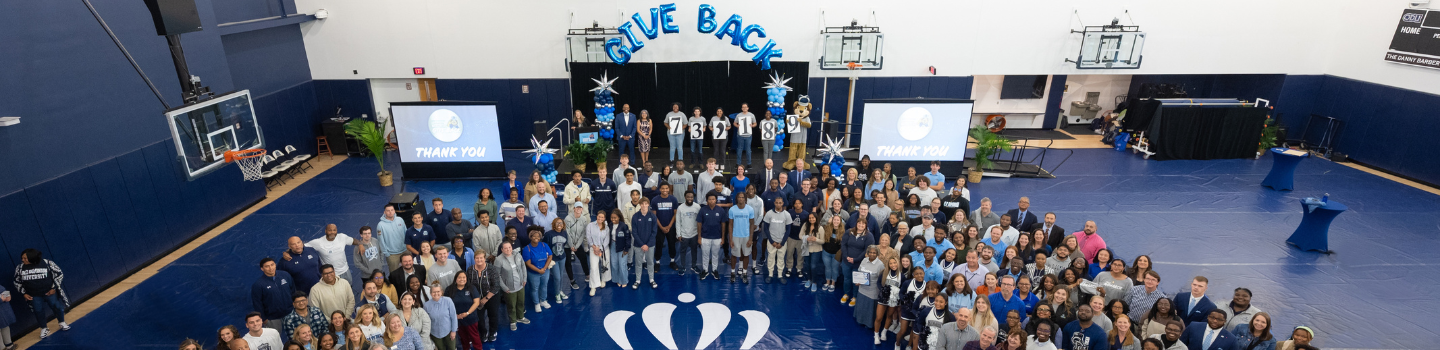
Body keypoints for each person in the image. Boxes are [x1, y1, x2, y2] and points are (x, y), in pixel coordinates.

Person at [14, 249, 71, 339]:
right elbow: (16, 281)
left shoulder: (47, 263)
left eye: (25, 258)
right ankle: (44, 328)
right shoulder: (20, 268)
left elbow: (59, 274)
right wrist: (23, 293)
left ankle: (62, 322)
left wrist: (54, 287)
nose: (23, 260)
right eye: (22, 258)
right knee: (38, 311)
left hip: (49, 292)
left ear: (32, 258)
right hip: (34, 294)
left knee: (57, 307)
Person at [250, 257, 297, 330]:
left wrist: (295, 307)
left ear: (275, 265)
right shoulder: (258, 284)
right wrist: (263, 318)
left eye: (272, 265)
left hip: (290, 313)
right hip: (272, 318)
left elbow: (293, 291)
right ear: (262, 269)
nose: (270, 268)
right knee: (274, 338)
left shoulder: (285, 275)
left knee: (295, 335)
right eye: (267, 266)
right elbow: (257, 303)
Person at [468, 249, 504, 343]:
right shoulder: (470, 270)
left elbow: (496, 285)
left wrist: (486, 298)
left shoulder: (491, 269)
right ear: (474, 258)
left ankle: (492, 332)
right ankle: (483, 333)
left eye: (481, 258)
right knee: (479, 317)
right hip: (477, 298)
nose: (479, 260)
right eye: (477, 258)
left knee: (493, 315)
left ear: (484, 258)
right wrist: (475, 298)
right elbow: (469, 284)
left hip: (491, 296)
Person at [495, 241, 529, 330]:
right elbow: (497, 275)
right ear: (502, 250)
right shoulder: (498, 260)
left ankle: (521, 317)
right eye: (505, 248)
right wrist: (504, 287)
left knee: (521, 302)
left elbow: (523, 266)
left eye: (509, 247)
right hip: (509, 288)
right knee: (511, 306)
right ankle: (513, 321)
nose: (508, 249)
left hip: (521, 284)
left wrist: (524, 279)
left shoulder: (517, 255)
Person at [446, 272, 483, 350]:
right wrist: (455, 316)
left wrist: (467, 313)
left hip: (471, 318)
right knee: (463, 338)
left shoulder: (472, 288)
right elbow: (446, 304)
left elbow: (476, 302)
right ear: (456, 279)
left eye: (464, 277)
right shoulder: (449, 289)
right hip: (457, 320)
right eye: (459, 277)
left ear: (466, 279)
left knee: (474, 337)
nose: (462, 279)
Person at [521, 227, 554, 313]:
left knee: (544, 286)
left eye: (538, 237)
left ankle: (543, 301)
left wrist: (544, 268)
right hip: (533, 273)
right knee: (535, 288)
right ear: (530, 237)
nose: (536, 238)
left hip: (545, 271)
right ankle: (536, 303)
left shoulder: (544, 245)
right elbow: (528, 263)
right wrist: (538, 271)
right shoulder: (526, 249)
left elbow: (550, 256)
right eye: (534, 237)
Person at [696, 193, 728, 280]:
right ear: (707, 200)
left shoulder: (721, 210)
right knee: (705, 255)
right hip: (705, 236)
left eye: (713, 199)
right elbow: (699, 223)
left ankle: (714, 270)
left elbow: (723, 224)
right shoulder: (702, 210)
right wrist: (699, 237)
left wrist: (723, 237)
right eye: (710, 199)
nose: (711, 201)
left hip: (717, 237)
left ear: (716, 200)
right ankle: (705, 270)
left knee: (715, 255)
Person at [762, 198, 794, 283]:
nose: (778, 204)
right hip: (771, 241)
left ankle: (780, 275)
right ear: (774, 203)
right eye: (777, 203)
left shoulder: (787, 214)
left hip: (782, 242)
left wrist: (782, 242)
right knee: (770, 258)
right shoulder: (769, 213)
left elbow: (788, 230)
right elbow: (766, 229)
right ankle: (770, 274)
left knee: (781, 258)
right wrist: (772, 241)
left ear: (783, 203)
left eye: (780, 203)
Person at [727, 195, 757, 283]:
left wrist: (751, 238)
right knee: (734, 255)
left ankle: (744, 273)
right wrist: (730, 239)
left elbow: (752, 224)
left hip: (746, 236)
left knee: (746, 255)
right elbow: (730, 224)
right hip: (735, 236)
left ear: (745, 199)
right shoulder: (732, 209)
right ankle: (732, 273)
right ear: (737, 199)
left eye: (742, 197)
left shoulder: (750, 209)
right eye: (739, 197)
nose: (740, 198)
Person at [542, 218, 572, 302]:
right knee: (557, 277)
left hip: (562, 257)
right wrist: (549, 257)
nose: (559, 225)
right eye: (557, 223)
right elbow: (545, 245)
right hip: (553, 259)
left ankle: (560, 290)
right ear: (554, 224)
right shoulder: (549, 234)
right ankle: (557, 294)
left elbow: (564, 243)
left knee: (561, 276)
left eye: (561, 223)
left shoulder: (564, 233)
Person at [632, 197, 660, 288]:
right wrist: (642, 244)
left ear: (648, 204)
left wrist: (647, 244)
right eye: (642, 204)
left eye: (646, 204)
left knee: (650, 262)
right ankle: (637, 280)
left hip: (650, 245)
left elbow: (654, 232)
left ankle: (652, 279)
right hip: (638, 245)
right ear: (640, 205)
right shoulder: (635, 216)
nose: (644, 205)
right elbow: (634, 232)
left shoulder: (652, 216)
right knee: (638, 263)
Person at [652, 183, 680, 271]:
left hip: (670, 227)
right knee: (659, 244)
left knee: (672, 244)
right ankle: (657, 262)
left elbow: (675, 214)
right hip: (659, 228)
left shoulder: (673, 199)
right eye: (663, 188)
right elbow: (654, 216)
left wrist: (669, 225)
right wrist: (661, 227)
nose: (665, 190)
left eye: (666, 188)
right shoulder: (655, 200)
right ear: (660, 189)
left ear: (669, 189)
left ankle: (672, 261)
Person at [855, 246, 884, 327]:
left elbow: (881, 280)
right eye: (870, 252)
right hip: (862, 289)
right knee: (861, 306)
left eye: (874, 253)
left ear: (877, 254)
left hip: (872, 291)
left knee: (870, 310)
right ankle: (860, 320)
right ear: (867, 253)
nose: (872, 254)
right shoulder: (864, 260)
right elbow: (859, 271)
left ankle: (869, 324)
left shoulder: (880, 265)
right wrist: (858, 281)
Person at [376, 205, 409, 274]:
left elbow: (406, 233)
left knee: (409, 270)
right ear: (384, 212)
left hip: (405, 250)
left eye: (392, 210)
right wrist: (386, 253)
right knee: (395, 274)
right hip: (392, 254)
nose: (390, 212)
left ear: (394, 211)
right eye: (388, 210)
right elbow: (380, 240)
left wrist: (408, 246)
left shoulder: (400, 219)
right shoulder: (380, 225)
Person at [424, 285, 457, 350]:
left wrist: (453, 331)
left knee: (452, 348)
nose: (436, 293)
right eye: (434, 292)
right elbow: (426, 321)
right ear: (430, 293)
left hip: (448, 331)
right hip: (435, 333)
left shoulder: (448, 300)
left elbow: (453, 316)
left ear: (441, 292)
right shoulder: (426, 305)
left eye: (438, 291)